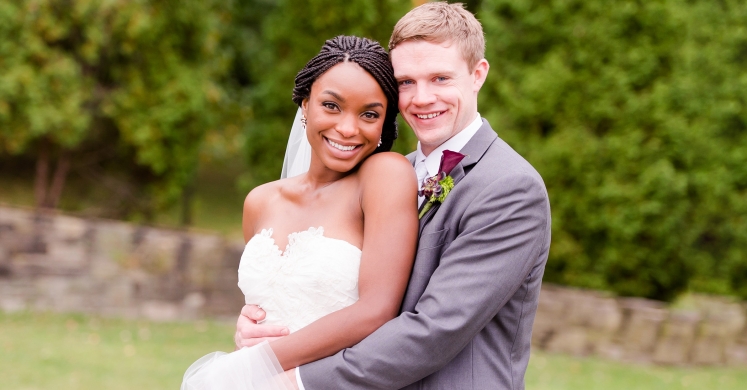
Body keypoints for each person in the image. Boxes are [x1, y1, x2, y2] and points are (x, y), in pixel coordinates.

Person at [236, 3, 552, 390]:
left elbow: (434, 329)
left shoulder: (510, 187)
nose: (421, 98)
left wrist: (294, 378)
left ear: (477, 75)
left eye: (440, 78)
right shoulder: (381, 174)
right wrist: (262, 324)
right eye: (406, 82)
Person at [181, 35, 419, 389]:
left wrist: (253, 365)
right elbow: (275, 302)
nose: (348, 128)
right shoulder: (260, 202)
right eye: (332, 106)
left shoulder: (385, 176)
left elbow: (376, 311)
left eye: (369, 114)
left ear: (384, 125)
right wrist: (248, 333)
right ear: (305, 105)